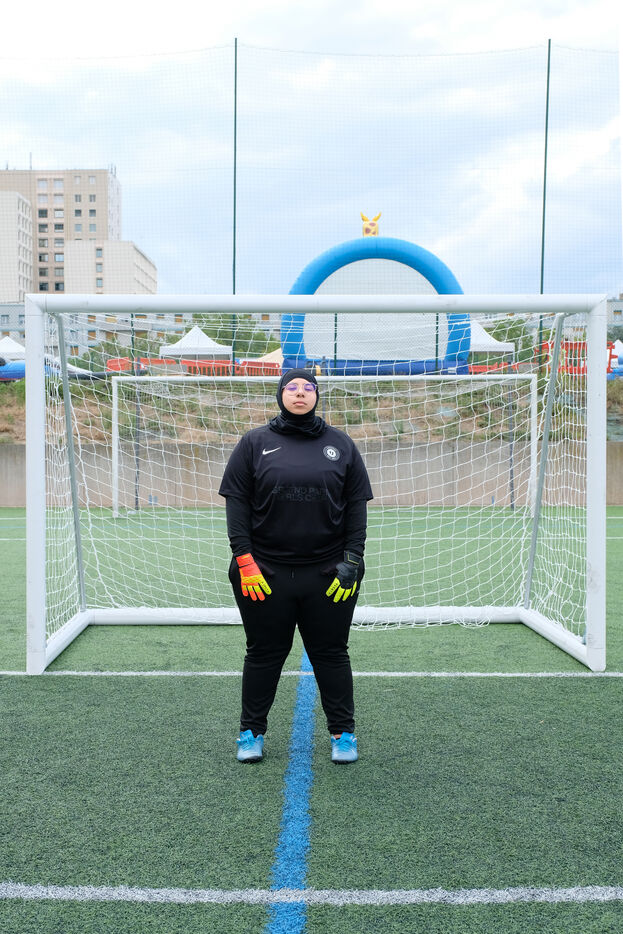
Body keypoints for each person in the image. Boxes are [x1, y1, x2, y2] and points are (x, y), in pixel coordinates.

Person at [219, 368, 373, 764]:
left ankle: (343, 734)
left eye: (308, 388)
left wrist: (352, 559)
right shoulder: (254, 443)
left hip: (328, 574)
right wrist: (244, 560)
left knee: (331, 652)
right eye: (292, 387)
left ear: (317, 395)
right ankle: (251, 732)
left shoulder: (341, 444)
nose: (300, 393)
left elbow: (356, 507)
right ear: (280, 394)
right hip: (263, 574)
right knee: (264, 652)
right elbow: (236, 505)